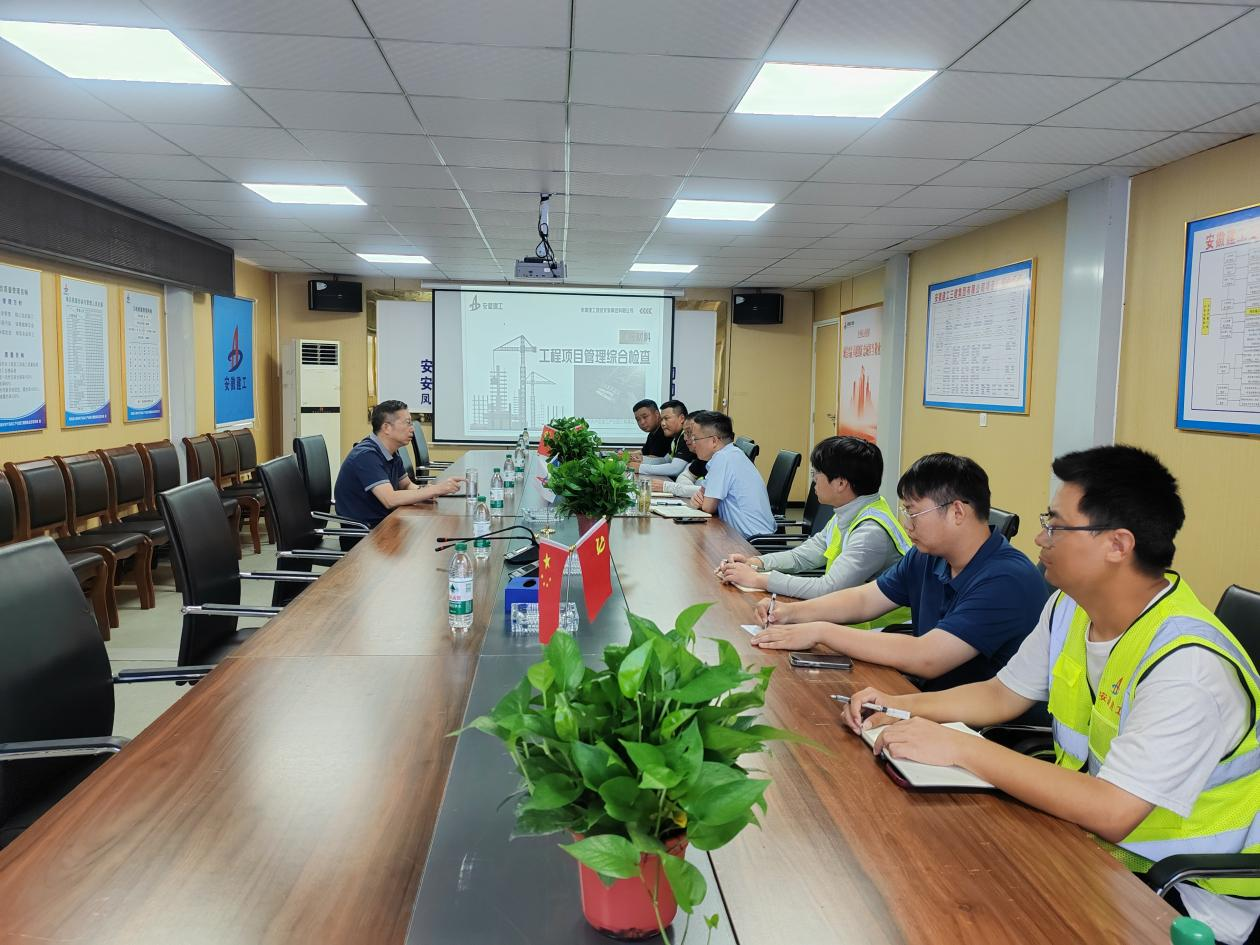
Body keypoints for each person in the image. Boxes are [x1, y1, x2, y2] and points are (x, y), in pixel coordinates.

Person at [840, 445, 1259, 944]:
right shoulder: (1070, 608)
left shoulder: (1188, 667)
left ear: (1118, 544)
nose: (1040, 537)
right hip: (1088, 849)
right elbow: (1001, 695)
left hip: (1180, 895)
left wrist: (961, 747)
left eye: (1056, 526)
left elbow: (1113, 811)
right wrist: (898, 706)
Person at [751, 452, 1046, 690]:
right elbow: (865, 599)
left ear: (957, 512)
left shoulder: (1006, 578)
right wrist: (790, 613)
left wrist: (821, 631)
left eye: (914, 512)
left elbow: (928, 657)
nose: (907, 524)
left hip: (979, 729)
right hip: (925, 697)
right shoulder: (928, 556)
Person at [717, 436, 912, 607]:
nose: (814, 481)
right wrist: (757, 562)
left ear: (841, 483)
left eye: (816, 474)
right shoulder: (851, 510)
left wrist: (758, 580)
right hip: (846, 616)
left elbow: (829, 588)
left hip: (880, 630)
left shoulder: (870, 531)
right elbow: (805, 555)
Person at [333, 400, 461, 539]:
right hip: (365, 536)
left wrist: (429, 491)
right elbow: (390, 499)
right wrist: (434, 490)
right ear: (387, 428)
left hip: (387, 524)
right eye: (407, 423)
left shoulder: (391, 452)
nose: (412, 429)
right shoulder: (366, 456)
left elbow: (406, 485)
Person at [686, 410, 774, 539]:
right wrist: (700, 500)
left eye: (695, 438)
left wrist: (702, 501)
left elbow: (708, 506)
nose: (693, 444)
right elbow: (702, 496)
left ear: (714, 441)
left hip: (752, 541)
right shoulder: (731, 453)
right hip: (745, 535)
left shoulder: (723, 458)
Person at [637, 400, 698, 479]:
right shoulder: (676, 438)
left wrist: (640, 468)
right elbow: (665, 461)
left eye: (666, 418)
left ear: (682, 418)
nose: (662, 423)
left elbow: (675, 469)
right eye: (662, 419)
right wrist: (642, 460)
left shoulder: (686, 437)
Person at [652, 413, 707, 499]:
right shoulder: (702, 458)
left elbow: (710, 493)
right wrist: (689, 491)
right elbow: (683, 477)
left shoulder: (722, 460)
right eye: (685, 433)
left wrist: (668, 487)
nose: (685, 438)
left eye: (690, 433)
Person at [628, 399, 669, 467]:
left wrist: (632, 458)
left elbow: (654, 460)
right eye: (638, 419)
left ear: (657, 414)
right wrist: (626, 454)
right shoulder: (652, 434)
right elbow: (643, 452)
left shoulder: (665, 432)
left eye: (645, 417)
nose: (642, 422)